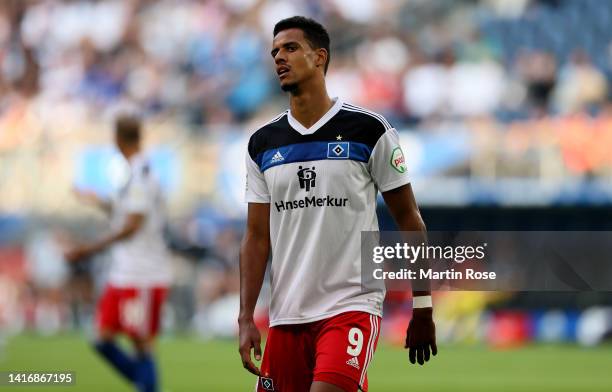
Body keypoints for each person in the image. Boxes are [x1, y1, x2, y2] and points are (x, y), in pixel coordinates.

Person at [239, 16, 437, 392]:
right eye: (274, 51)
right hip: (286, 315)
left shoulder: (369, 131)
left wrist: (423, 306)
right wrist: (246, 316)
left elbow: (410, 220)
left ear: (320, 57)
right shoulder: (262, 143)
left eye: (291, 48)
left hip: (350, 307)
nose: (279, 57)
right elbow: (255, 236)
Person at [65, 115, 171, 392]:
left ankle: (145, 385)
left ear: (117, 139)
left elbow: (132, 226)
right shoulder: (134, 173)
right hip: (125, 272)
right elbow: (125, 211)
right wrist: (95, 199)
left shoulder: (142, 174)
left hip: (143, 274)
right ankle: (143, 383)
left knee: (142, 343)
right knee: (100, 338)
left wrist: (88, 249)